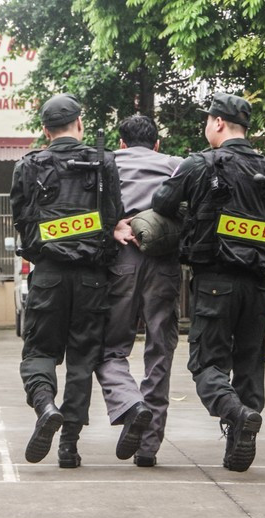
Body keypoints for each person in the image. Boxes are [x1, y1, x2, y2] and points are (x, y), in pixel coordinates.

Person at [152, 92, 265, 472]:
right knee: (249, 364)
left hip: (215, 282)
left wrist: (190, 209)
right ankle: (240, 438)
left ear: (218, 123)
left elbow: (162, 203)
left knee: (207, 366)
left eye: (207, 119)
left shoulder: (201, 164)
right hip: (261, 285)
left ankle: (234, 413)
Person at [10, 93, 123, 468]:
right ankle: (69, 446)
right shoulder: (103, 162)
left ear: (45, 130)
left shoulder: (29, 166)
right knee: (81, 361)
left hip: (49, 276)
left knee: (39, 352)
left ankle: (45, 407)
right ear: (80, 123)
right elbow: (113, 218)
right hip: (92, 279)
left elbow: (24, 225)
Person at [94, 115, 182, 467]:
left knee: (109, 348)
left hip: (121, 261)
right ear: (157, 144)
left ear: (122, 143)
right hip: (164, 263)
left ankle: (131, 405)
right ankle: (148, 448)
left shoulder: (110, 163)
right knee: (160, 349)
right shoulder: (175, 166)